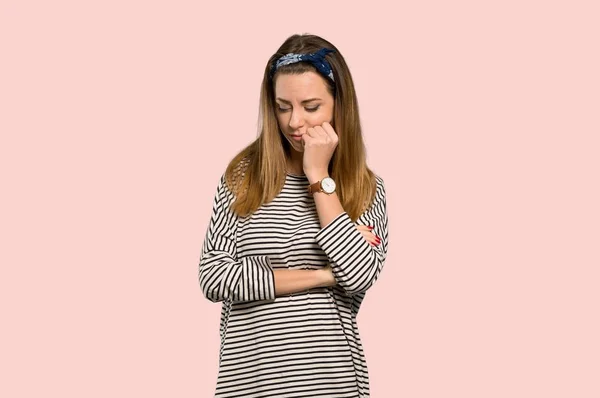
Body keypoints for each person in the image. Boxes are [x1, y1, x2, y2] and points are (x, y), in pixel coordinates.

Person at [198, 33, 389, 398]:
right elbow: (214, 277)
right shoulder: (244, 177)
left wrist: (319, 177)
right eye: (283, 106)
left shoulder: (365, 188)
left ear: (339, 104)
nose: (294, 121)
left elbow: (359, 275)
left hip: (332, 383)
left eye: (311, 106)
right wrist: (324, 275)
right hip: (248, 383)